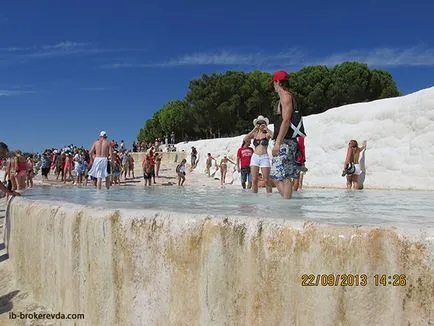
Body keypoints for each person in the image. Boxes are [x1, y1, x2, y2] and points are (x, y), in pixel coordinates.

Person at [270, 70, 306, 199]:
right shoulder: (285, 97)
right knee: (283, 175)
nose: (273, 86)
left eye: (273, 82)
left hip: (285, 142)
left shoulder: (285, 96)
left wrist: (278, 143)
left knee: (278, 175)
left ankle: (287, 202)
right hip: (287, 141)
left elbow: (286, 120)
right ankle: (287, 204)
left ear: (278, 82)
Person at [243, 115, 273, 193]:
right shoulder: (255, 134)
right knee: (254, 179)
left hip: (264, 157)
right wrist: (254, 129)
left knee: (266, 180)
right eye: (259, 123)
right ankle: (254, 198)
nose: (260, 125)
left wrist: (267, 129)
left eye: (262, 123)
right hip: (255, 157)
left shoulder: (267, 133)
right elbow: (245, 138)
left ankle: (269, 197)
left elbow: (274, 136)